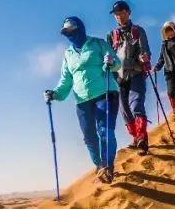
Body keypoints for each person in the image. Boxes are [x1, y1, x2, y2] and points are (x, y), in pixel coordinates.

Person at [45, 16, 121, 183]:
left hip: (105, 93)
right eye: (66, 32)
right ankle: (99, 165)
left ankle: (108, 167)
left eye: (72, 29)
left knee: (105, 131)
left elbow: (116, 63)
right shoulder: (68, 54)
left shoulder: (98, 43)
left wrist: (109, 62)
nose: (69, 34)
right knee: (89, 137)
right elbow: (66, 81)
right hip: (82, 100)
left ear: (80, 28)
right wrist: (55, 94)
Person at [108, 0, 152, 153]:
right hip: (118, 78)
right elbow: (109, 56)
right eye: (116, 14)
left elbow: (145, 50)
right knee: (124, 110)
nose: (119, 16)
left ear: (128, 12)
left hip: (136, 73)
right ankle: (135, 137)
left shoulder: (138, 31)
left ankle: (142, 138)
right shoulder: (111, 35)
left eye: (121, 12)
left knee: (136, 105)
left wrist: (143, 57)